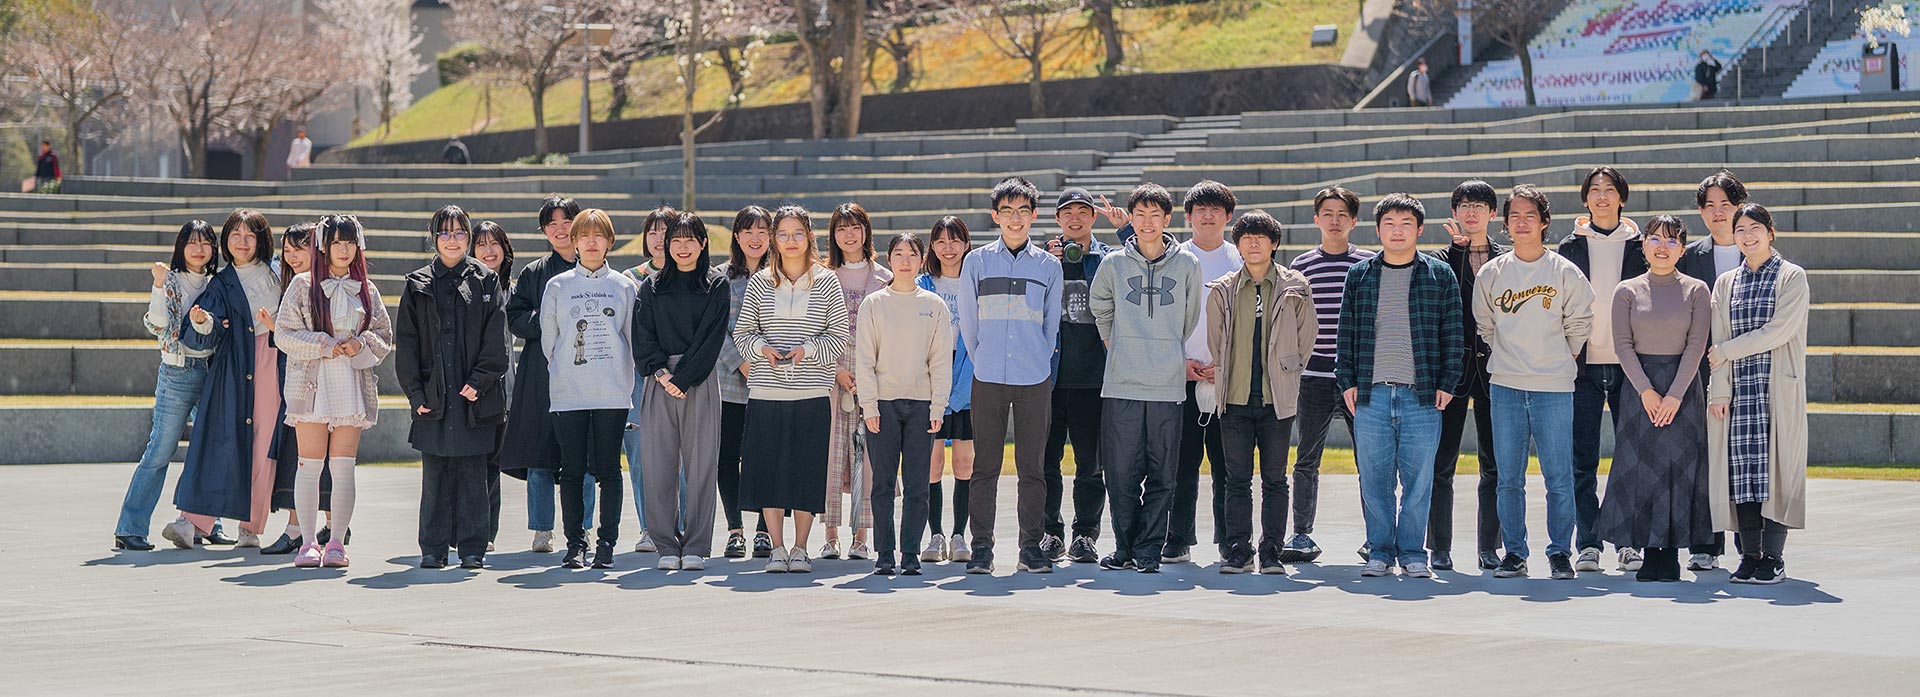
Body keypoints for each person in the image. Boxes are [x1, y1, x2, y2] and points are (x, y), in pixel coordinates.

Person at [1338, 193, 1463, 579]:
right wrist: (1347, 381)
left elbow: (1453, 333)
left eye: (1406, 223)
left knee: (1418, 482)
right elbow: (1346, 333)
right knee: (1374, 482)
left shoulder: (1439, 275)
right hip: (1371, 394)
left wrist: (1448, 382)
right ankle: (1379, 551)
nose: (1397, 231)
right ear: (1377, 230)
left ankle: (1412, 553)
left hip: (1421, 395)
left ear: (1419, 229)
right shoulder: (1359, 275)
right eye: (1389, 224)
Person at [1475, 185, 1594, 580]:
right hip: (1506, 386)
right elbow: (1485, 325)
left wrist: (1560, 356)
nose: (1522, 222)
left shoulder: (1564, 271)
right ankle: (1515, 553)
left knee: (1558, 477)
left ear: (1544, 222)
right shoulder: (1492, 273)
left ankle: (1560, 552)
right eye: (1515, 216)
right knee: (1508, 479)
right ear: (1505, 224)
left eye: (1530, 215)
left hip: (1554, 387)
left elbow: (1580, 322)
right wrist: (1508, 356)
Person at [1089, 182, 1203, 574]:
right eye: (1140, 215)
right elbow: (1100, 306)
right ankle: (1125, 547)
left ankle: (1150, 549)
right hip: (1122, 381)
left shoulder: (1188, 265)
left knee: (1162, 473)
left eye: (1155, 215)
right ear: (1132, 218)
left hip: (1167, 385)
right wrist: (1115, 343)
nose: (1147, 222)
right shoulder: (1113, 264)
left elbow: (1189, 316)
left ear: (1167, 219)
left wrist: (1166, 349)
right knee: (1121, 473)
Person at [1595, 215, 1712, 582]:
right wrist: (1646, 391)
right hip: (1639, 389)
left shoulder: (1697, 290)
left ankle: (1671, 554)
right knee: (1642, 470)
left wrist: (1674, 395)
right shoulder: (1626, 291)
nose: (1663, 247)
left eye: (1672, 240)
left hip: (1683, 389)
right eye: (1656, 239)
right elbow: (1623, 345)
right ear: (1643, 245)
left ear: (1682, 248)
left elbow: (1696, 345)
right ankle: (1648, 551)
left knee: (1679, 469)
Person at [955, 176, 1063, 574]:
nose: (1014, 219)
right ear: (995, 215)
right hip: (988, 377)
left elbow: (1051, 326)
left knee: (1032, 467)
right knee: (985, 467)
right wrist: (984, 358)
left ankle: (1030, 548)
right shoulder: (977, 262)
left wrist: (1036, 360)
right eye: (1006, 211)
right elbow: (968, 323)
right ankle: (981, 548)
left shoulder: (1049, 266)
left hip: (1034, 378)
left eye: (1022, 211)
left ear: (1033, 215)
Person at [735, 206, 851, 574]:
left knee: (805, 472)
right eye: (783, 234)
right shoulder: (759, 283)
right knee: (769, 472)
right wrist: (761, 349)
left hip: (812, 393)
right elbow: (743, 333)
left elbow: (839, 336)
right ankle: (777, 548)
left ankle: (800, 548)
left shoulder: (827, 282)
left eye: (798, 233)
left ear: (810, 237)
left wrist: (808, 350)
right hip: (766, 393)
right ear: (774, 239)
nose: (790, 241)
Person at [276, 214, 394, 569]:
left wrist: (361, 344)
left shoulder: (367, 289)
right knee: (309, 465)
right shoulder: (302, 285)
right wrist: (322, 344)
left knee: (343, 467)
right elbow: (283, 334)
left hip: (350, 382)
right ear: (323, 246)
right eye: (336, 242)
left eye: (350, 242)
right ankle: (308, 543)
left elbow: (384, 334)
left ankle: (337, 542)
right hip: (312, 382)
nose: (343, 249)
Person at [162, 210, 284, 551]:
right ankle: (192, 521)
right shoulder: (221, 282)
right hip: (234, 366)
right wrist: (203, 323)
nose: (242, 242)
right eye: (235, 235)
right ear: (225, 241)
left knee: (265, 445)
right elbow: (201, 330)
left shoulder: (278, 271)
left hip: (273, 360)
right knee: (217, 438)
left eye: (250, 235)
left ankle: (251, 527)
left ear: (262, 239)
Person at [1202, 210, 1316, 574]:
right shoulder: (1223, 288)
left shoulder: (1294, 285)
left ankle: (1271, 551)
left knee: (1274, 479)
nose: (1253, 243)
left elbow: (1307, 336)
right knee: (1236, 480)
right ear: (1237, 245)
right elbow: (1216, 340)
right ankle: (1239, 549)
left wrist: (1288, 370)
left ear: (1274, 243)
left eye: (1261, 237)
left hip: (1275, 400)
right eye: (1246, 237)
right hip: (1234, 399)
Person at [398, 205, 510, 569]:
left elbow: (497, 340)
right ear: (434, 238)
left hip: (475, 398)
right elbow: (407, 345)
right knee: (435, 476)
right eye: (444, 232)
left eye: (459, 232)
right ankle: (433, 548)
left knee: (474, 475)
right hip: (433, 397)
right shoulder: (417, 283)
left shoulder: (486, 281)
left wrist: (479, 381)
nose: (452, 239)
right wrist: (416, 394)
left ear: (468, 237)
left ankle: (473, 548)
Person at [1707, 203, 1809, 585]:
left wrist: (1727, 351)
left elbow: (1778, 331)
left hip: (1774, 390)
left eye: (1755, 228)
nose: (1747, 236)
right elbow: (1718, 337)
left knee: (1775, 475)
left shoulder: (1791, 277)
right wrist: (1719, 392)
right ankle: (1749, 556)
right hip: (1738, 393)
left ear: (1770, 233)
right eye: (1741, 230)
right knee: (1743, 474)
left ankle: (1774, 558)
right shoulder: (1726, 282)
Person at [1560, 166, 1646, 574]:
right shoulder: (1570, 246)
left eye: (1609, 189)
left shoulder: (1641, 245)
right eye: (1594, 190)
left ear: (1621, 198)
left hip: (1630, 365)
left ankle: (1629, 543)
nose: (1602, 196)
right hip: (1583, 367)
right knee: (1583, 461)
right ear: (1585, 199)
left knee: (1631, 458)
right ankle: (1589, 544)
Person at [540, 208, 638, 570]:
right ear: (575, 242)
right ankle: (575, 543)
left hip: (612, 392)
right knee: (571, 470)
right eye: (584, 236)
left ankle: (606, 543)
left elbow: (631, 338)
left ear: (610, 241)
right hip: (569, 392)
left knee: (609, 470)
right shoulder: (558, 286)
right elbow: (550, 340)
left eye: (599, 236)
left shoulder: (624, 287)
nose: (591, 242)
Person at [113, 221, 220, 551]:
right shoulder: (170, 279)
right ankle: (130, 528)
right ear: (181, 246)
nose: (199, 249)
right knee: (160, 450)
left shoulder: (218, 283)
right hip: (177, 373)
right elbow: (158, 325)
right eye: (192, 242)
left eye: (205, 243)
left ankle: (205, 523)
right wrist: (159, 285)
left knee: (212, 449)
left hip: (211, 372)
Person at [632, 212, 729, 571]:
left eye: (690, 239)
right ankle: (666, 545)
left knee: (702, 465)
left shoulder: (715, 284)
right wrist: (661, 373)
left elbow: (711, 339)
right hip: (658, 381)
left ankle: (696, 546)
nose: (682, 247)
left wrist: (683, 378)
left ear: (703, 243)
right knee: (658, 466)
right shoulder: (651, 286)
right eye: (676, 240)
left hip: (699, 380)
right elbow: (643, 336)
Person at [1285, 186, 1374, 563]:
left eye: (1342, 214)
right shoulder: (1302, 265)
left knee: (1370, 461)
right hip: (1313, 376)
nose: (1334, 221)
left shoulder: (1369, 262)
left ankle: (1377, 536)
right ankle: (1301, 534)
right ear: (1316, 219)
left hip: (1359, 378)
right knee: (1306, 459)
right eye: (1327, 214)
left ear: (1354, 221)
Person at [856, 232, 953, 576]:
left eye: (912, 254)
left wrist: (938, 406)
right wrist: (869, 406)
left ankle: (910, 552)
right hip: (883, 404)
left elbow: (940, 361)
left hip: (922, 405)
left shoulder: (934, 305)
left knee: (917, 485)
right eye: (899, 254)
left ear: (922, 259)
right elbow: (864, 359)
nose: (906, 260)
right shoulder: (874, 304)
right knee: (882, 483)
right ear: (889, 259)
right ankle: (885, 553)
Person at [504, 196, 596, 554]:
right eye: (552, 223)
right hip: (540, 375)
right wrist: (551, 320)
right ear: (544, 231)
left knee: (584, 457)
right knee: (539, 456)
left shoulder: (594, 267)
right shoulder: (533, 272)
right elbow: (516, 318)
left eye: (566, 221)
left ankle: (583, 527)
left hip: (587, 374)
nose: (560, 229)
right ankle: (542, 529)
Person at [1427, 180, 1508, 572]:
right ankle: (1439, 547)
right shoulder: (1441, 258)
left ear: (1493, 213)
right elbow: (1447, 300)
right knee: (1441, 465)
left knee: (1494, 466)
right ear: (1454, 212)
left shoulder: (1507, 258)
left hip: (1497, 370)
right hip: (1451, 373)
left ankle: (1489, 547)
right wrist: (1459, 251)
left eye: (1479, 205)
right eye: (1463, 205)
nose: (1471, 212)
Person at [1043, 187, 1121, 564]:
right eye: (1068, 213)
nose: (1075, 219)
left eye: (1083, 212)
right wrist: (1047, 260)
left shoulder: (1108, 259)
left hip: (1094, 379)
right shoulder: (1043, 260)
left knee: (1091, 465)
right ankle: (1050, 533)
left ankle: (1085, 536)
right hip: (1049, 379)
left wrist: (1124, 228)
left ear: (1093, 217)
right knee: (1046, 463)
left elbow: (1144, 258)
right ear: (1058, 219)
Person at [1678, 169, 1748, 570]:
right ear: (1701, 212)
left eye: (1726, 204)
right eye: (1710, 206)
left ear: (1739, 206)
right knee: (1703, 457)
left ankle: (1750, 545)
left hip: (1749, 367)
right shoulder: (1690, 256)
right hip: (1701, 370)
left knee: (1744, 456)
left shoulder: (1756, 251)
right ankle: (1705, 545)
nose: (1718, 212)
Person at [1167, 180, 1241, 566]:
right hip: (1181, 376)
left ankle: (1231, 540)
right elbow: (1160, 320)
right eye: (1201, 210)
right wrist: (1179, 363)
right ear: (1188, 216)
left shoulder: (1241, 258)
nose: (1208, 216)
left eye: (1216, 210)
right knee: (1180, 465)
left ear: (1228, 217)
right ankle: (1177, 538)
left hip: (1228, 380)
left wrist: (1226, 367)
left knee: (1228, 467)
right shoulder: (1173, 258)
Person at [263, 222, 336, 555]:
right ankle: (319, 526)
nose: (292, 257)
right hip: (298, 382)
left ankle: (311, 528)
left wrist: (278, 330)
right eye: (287, 251)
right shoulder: (295, 285)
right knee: (305, 456)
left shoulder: (327, 285)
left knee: (316, 458)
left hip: (323, 381)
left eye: (299, 249)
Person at [824, 202, 890, 561]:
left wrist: (869, 375)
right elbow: (814, 328)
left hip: (873, 374)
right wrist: (837, 370)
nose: (849, 235)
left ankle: (861, 536)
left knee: (867, 455)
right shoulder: (822, 276)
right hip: (829, 373)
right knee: (831, 455)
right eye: (842, 228)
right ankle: (830, 535)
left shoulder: (885, 277)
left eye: (856, 227)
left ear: (866, 231)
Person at [918, 216, 977, 565]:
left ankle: (959, 535)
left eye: (955, 240)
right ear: (932, 247)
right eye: (940, 241)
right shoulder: (924, 284)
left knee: (965, 461)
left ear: (966, 244)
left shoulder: (975, 280)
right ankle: (935, 534)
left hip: (969, 375)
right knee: (933, 462)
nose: (948, 247)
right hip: (931, 377)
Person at [717, 206, 775, 559]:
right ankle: (735, 530)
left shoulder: (783, 275)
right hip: (729, 382)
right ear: (736, 236)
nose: (755, 238)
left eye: (762, 231)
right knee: (727, 456)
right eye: (748, 231)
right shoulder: (719, 278)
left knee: (768, 456)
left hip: (775, 380)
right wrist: (741, 364)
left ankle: (765, 531)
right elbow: (715, 330)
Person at [622, 205, 675, 554]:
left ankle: (679, 526)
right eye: (652, 232)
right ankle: (648, 527)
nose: (659, 238)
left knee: (679, 460)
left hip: (681, 376)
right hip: (640, 379)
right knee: (641, 460)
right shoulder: (630, 278)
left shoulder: (693, 276)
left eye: (666, 231)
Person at [472, 220, 515, 548]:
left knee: (492, 466)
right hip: (471, 386)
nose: (489, 251)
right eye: (481, 244)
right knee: (469, 462)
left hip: (505, 389)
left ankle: (487, 533)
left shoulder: (515, 291)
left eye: (494, 243)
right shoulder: (465, 288)